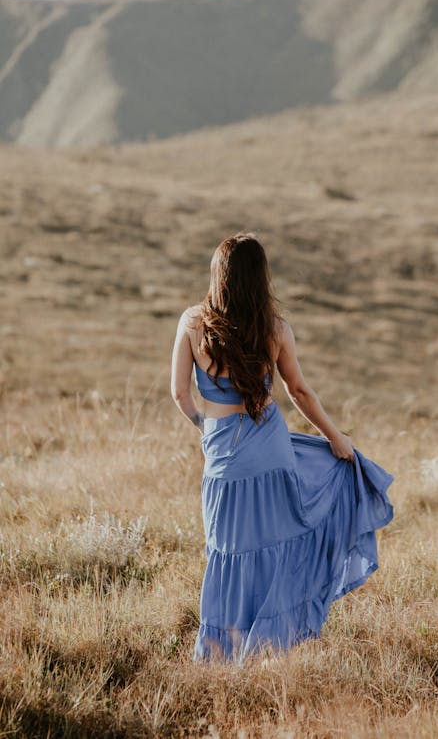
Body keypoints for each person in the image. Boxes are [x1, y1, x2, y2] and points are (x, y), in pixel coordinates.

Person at [171, 232, 394, 663]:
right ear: (260, 279)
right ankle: (270, 644)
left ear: (218, 275)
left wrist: (206, 431)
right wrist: (336, 438)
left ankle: (222, 652)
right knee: (276, 544)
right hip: (272, 450)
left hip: (222, 457)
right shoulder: (275, 328)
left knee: (228, 548)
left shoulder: (191, 322)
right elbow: (299, 391)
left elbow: (180, 394)